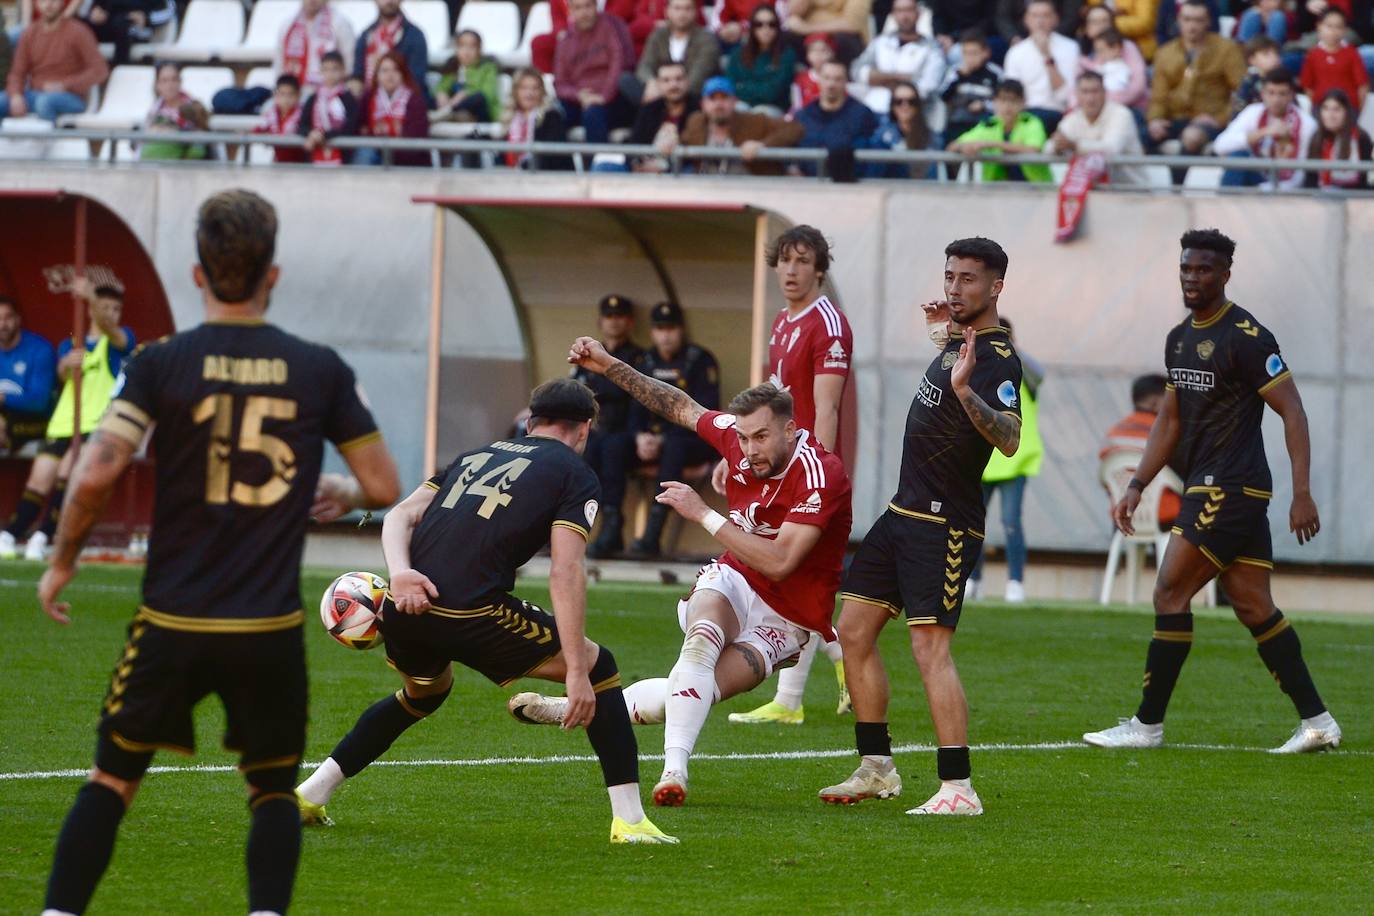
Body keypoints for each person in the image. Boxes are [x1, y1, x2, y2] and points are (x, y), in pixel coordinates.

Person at [37, 189, 402, 916]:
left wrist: (63, 559)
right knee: (270, 791)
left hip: (172, 620)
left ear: (197, 274)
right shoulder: (317, 367)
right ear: (274, 274)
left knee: (111, 781)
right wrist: (326, 485)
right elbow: (382, 484)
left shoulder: (161, 361)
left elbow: (99, 467)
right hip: (265, 630)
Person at [294, 378, 677, 845]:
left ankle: (311, 794)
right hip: (471, 612)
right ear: (585, 430)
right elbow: (566, 570)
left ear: (530, 421)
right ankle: (631, 822)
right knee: (601, 668)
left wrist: (399, 576)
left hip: (406, 606)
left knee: (423, 695)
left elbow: (399, 515)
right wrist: (577, 668)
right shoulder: (575, 474)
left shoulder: (473, 456)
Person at [510, 376, 852, 809]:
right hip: (736, 578)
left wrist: (703, 514)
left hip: (788, 615)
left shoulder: (821, 474)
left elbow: (781, 562)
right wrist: (609, 363)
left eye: (761, 437)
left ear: (789, 429)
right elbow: (678, 404)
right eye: (743, 438)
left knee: (693, 693)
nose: (749, 449)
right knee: (701, 642)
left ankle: (574, 708)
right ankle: (675, 771)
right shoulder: (740, 439)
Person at [1083, 229, 1341, 755]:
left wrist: (1303, 492)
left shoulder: (1247, 337)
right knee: (1251, 604)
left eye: (1203, 269)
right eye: (1185, 269)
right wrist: (1136, 484)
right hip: (1215, 484)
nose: (1192, 278)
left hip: (1229, 486)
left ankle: (1146, 726)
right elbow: (1169, 420)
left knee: (1169, 591)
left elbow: (1292, 409)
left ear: (1225, 274)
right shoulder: (1180, 337)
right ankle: (1318, 722)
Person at [818, 237, 1022, 816]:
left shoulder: (998, 357)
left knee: (929, 649)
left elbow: (1009, 439)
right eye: (950, 276)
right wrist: (944, 340)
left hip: (944, 523)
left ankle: (958, 787)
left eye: (968, 280)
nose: (954, 289)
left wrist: (963, 390)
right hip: (903, 511)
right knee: (852, 631)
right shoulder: (961, 341)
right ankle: (877, 767)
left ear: (996, 287)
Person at [727, 226, 854, 726]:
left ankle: (837, 665)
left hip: (807, 474)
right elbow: (768, 405)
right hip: (781, 468)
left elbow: (827, 407)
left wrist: (814, 469)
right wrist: (741, 451)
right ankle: (792, 698)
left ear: (819, 268)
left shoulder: (828, 322)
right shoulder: (783, 321)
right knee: (785, 577)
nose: (791, 270)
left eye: (802, 261)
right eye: (784, 260)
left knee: (791, 574)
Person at [4, 280, 135, 563]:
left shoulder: (120, 340)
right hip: (64, 422)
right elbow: (62, 379)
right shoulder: (70, 344)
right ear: (90, 312)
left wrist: (91, 299)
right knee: (40, 478)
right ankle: (11, 534)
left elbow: (114, 334)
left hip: (94, 424)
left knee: (67, 474)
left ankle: (43, 536)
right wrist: (65, 367)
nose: (111, 314)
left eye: (116, 309)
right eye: (105, 307)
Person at [625, 301, 721, 557]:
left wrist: (661, 440)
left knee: (674, 446)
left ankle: (652, 532)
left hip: (691, 442)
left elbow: (706, 412)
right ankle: (608, 526)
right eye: (659, 328)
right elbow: (634, 409)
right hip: (650, 442)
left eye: (671, 328)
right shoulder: (644, 361)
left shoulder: (699, 360)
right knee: (610, 444)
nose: (665, 335)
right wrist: (638, 437)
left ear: (681, 330)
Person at [965, 316, 1042, 604]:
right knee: (973, 522)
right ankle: (972, 580)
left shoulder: (1021, 369)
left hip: (1014, 460)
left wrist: (1012, 349)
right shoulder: (977, 369)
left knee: (1011, 522)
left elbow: (1040, 375)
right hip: (982, 460)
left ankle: (1015, 583)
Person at [578, 294, 646, 558]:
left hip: (627, 432)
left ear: (629, 322)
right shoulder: (587, 358)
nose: (614, 323)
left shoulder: (639, 358)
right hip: (597, 431)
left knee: (612, 449)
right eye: (609, 317)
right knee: (588, 449)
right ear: (600, 322)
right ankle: (584, 525)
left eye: (619, 317)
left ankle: (612, 523)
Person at [1146, 0, 1245, 180]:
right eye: (1187, 19)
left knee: (1192, 137)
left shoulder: (1226, 49)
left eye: (1198, 20)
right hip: (1175, 118)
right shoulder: (1165, 53)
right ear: (1179, 21)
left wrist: (1220, 119)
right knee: (1141, 135)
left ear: (1208, 22)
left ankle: (1177, 192)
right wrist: (1155, 120)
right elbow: (1158, 97)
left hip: (1210, 120)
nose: (1192, 26)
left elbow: (1243, 93)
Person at [1, 0, 107, 122]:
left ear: (62, 3)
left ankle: (48, 141)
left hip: (71, 97)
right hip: (35, 94)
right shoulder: (30, 33)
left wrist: (65, 85)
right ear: (37, 4)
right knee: (2, 101)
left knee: (45, 102)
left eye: (54, 1)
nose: (49, 4)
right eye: (44, 1)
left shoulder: (79, 31)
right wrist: (15, 95)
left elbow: (100, 70)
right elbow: (17, 73)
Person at [1099, 373, 1181, 529]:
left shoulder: (1113, 433)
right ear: (1156, 403)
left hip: (1122, 512)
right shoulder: (1165, 434)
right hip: (1165, 512)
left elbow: (1105, 478)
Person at [677, 75, 805, 175]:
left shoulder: (754, 121)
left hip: (750, 192)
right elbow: (683, 142)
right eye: (712, 99)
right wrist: (671, 141)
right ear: (703, 104)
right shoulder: (696, 122)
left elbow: (794, 128)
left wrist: (763, 144)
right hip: (707, 191)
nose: (719, 105)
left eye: (724, 98)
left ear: (734, 102)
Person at [1214, 67, 1316, 190]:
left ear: (1291, 95)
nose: (1276, 100)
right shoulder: (1252, 112)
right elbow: (1220, 146)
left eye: (1282, 94)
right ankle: (1225, 205)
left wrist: (1263, 189)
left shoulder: (1307, 124)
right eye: (1271, 93)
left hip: (1285, 186)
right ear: (1263, 94)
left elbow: (1300, 176)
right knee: (1238, 157)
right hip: (1256, 176)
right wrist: (1263, 132)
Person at [554, 0, 634, 143]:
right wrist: (579, 95)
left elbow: (619, 66)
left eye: (588, 6)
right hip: (580, 99)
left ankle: (599, 164)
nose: (584, 12)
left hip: (613, 99)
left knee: (593, 113)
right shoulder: (566, 40)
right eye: (578, 8)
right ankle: (555, 165)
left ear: (596, 6)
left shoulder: (612, 27)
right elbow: (560, 84)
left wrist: (603, 97)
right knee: (551, 115)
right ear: (570, 11)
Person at [1049, 70, 1148, 184]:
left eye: (1095, 91)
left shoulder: (1121, 114)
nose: (1090, 98)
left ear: (1104, 93)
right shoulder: (1073, 118)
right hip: (1092, 191)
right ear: (1077, 95)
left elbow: (1111, 149)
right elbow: (1049, 146)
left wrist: (1074, 145)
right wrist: (1057, 145)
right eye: (1085, 92)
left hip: (1133, 192)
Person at [851, 0, 946, 120]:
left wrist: (880, 78)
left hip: (910, 116)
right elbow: (857, 72)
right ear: (893, 14)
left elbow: (927, 87)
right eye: (899, 11)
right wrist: (903, 77)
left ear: (918, 13)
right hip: (874, 110)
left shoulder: (932, 49)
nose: (904, 16)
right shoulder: (880, 42)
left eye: (909, 10)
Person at [947, 78, 1052, 182]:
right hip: (995, 192)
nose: (1008, 106)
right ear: (994, 102)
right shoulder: (989, 125)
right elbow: (952, 146)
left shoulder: (1032, 122)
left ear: (1023, 103)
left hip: (1036, 191)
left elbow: (1033, 150)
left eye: (1013, 101)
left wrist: (991, 144)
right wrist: (963, 147)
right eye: (1003, 100)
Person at [1001, 0, 1080, 134]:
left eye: (1045, 15)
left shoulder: (1070, 48)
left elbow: (1065, 95)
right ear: (1026, 20)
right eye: (1035, 15)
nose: (1040, 21)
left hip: (1060, 113)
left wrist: (1046, 55)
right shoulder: (1015, 52)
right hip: (1025, 115)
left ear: (1055, 19)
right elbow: (1012, 95)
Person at [795, 59, 879, 175]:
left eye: (837, 79)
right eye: (827, 78)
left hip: (849, 186)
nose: (831, 84)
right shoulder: (803, 116)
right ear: (819, 80)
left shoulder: (862, 115)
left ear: (846, 82)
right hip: (807, 186)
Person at [0, 296, 56, 468]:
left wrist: (2, 398)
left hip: (37, 421)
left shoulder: (39, 349)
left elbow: (39, 403)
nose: (3, 324)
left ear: (18, 319)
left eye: (8, 318)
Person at [633, 0, 720, 103]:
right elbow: (644, 66)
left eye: (687, 9)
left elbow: (698, 76)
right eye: (677, 8)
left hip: (692, 96)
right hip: (658, 90)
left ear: (695, 12)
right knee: (626, 81)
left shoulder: (707, 39)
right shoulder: (658, 35)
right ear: (667, 11)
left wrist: (669, 91)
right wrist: (652, 83)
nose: (682, 14)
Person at [940, 29, 1004, 167]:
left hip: (985, 124)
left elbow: (1003, 99)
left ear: (985, 53)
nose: (970, 58)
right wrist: (959, 77)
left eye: (974, 53)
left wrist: (984, 105)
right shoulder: (955, 72)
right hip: (958, 123)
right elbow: (943, 96)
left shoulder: (995, 73)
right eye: (966, 53)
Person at [356, 51, 430, 166]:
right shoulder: (369, 97)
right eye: (384, 70)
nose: (390, 75)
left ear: (403, 74)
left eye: (395, 70)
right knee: (365, 152)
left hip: (408, 162)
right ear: (377, 74)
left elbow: (415, 141)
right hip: (375, 156)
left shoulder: (414, 100)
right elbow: (358, 127)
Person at [351, 0, 430, 104]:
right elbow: (357, 75)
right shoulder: (366, 35)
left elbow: (415, 80)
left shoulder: (415, 36)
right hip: (369, 105)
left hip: (403, 105)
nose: (389, 1)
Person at [628, 60, 701, 172]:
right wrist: (640, 164)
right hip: (647, 167)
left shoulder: (698, 109)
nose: (673, 85)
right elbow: (635, 143)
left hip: (682, 168)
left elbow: (697, 151)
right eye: (666, 80)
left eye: (679, 79)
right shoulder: (649, 109)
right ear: (658, 84)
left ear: (687, 81)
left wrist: (664, 167)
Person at [725, 4, 796, 112]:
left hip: (773, 109)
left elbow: (772, 93)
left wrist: (744, 87)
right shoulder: (737, 54)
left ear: (778, 27)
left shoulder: (787, 55)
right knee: (736, 109)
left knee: (760, 112)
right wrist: (761, 88)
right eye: (759, 24)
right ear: (752, 27)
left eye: (771, 24)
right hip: (743, 106)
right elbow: (731, 87)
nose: (766, 29)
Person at [502, 67, 572, 170]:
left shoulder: (551, 116)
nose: (529, 94)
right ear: (515, 91)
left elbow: (553, 158)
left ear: (542, 91)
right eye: (524, 88)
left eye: (535, 88)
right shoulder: (508, 118)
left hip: (543, 179)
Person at [276, 0, 353, 93]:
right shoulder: (288, 26)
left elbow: (349, 63)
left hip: (330, 94)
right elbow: (279, 66)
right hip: (293, 96)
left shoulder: (340, 23)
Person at [1300, 8, 1369, 111]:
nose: (1333, 31)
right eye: (1329, 26)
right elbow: (1307, 86)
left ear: (1345, 30)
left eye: (1338, 27)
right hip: (1321, 110)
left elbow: (1363, 86)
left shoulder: (1352, 53)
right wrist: (1319, 107)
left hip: (1348, 110)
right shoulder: (1312, 54)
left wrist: (1356, 110)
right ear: (1319, 26)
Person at [1304, 88, 1372, 190]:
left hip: (1352, 197)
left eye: (1337, 109)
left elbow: (1364, 179)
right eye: (1325, 108)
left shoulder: (1361, 138)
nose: (1330, 115)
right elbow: (1310, 179)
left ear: (1346, 112)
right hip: (1319, 198)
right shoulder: (1316, 137)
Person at [140, 62, 210, 161]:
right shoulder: (154, 111)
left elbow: (198, 147)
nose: (170, 85)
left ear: (180, 82)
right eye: (164, 80)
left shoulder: (192, 108)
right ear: (157, 85)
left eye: (174, 79)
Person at [300, 50, 359, 165]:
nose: (330, 74)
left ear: (343, 71)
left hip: (343, 158)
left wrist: (323, 136)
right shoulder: (313, 98)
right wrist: (311, 134)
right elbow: (302, 125)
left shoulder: (348, 98)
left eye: (334, 69)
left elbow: (350, 127)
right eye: (326, 69)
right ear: (320, 71)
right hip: (314, 157)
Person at [866, 80, 932, 177]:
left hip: (923, 189)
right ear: (892, 106)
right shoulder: (880, 136)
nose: (905, 106)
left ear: (918, 105)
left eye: (911, 102)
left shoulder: (932, 137)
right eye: (899, 102)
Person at [434, 29, 502, 123]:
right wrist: (441, 94)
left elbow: (487, 94)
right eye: (462, 46)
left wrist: (465, 94)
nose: (467, 51)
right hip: (453, 108)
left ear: (479, 49)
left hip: (479, 113)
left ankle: (447, 113)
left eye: (472, 46)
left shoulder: (488, 67)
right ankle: (446, 113)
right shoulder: (452, 66)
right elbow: (441, 86)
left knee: (478, 98)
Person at [82, 0, 174, 66]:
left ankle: (119, 69)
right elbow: (95, 7)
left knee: (122, 26)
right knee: (79, 25)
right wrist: (94, 12)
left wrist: (147, 18)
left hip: (137, 29)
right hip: (108, 23)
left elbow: (169, 11)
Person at [1079, 27, 1148, 111]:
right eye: (1097, 51)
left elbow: (1097, 71)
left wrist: (1083, 61)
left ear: (1116, 49)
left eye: (1101, 50)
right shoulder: (1107, 64)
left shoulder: (1120, 67)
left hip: (1123, 105)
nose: (1098, 54)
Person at [785, 0, 872, 65]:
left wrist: (806, 28)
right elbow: (793, 12)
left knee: (843, 40)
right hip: (809, 34)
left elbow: (852, 24)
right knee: (786, 37)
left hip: (842, 36)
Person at [254, 74, 308, 165]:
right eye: (282, 94)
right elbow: (258, 130)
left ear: (299, 95)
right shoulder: (272, 114)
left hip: (301, 165)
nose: (286, 99)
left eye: (291, 95)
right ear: (276, 94)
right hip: (279, 164)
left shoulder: (304, 114)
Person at [1233, 35, 1281, 117]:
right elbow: (1238, 112)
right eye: (1266, 54)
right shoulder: (1249, 82)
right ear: (1252, 60)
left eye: (1276, 53)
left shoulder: (1284, 80)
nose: (1274, 58)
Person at [792, 33, 835, 113]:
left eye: (823, 50)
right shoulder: (800, 79)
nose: (818, 55)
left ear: (832, 53)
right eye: (814, 50)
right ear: (807, 55)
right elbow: (797, 105)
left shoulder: (836, 77)